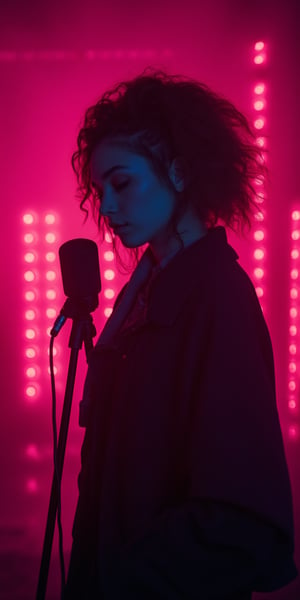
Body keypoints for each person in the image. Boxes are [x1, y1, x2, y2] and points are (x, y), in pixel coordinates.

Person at [65, 67, 298, 599]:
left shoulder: (218, 299)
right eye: (99, 190)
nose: (107, 207)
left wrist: (122, 577)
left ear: (179, 170)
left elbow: (241, 517)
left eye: (122, 183)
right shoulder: (143, 297)